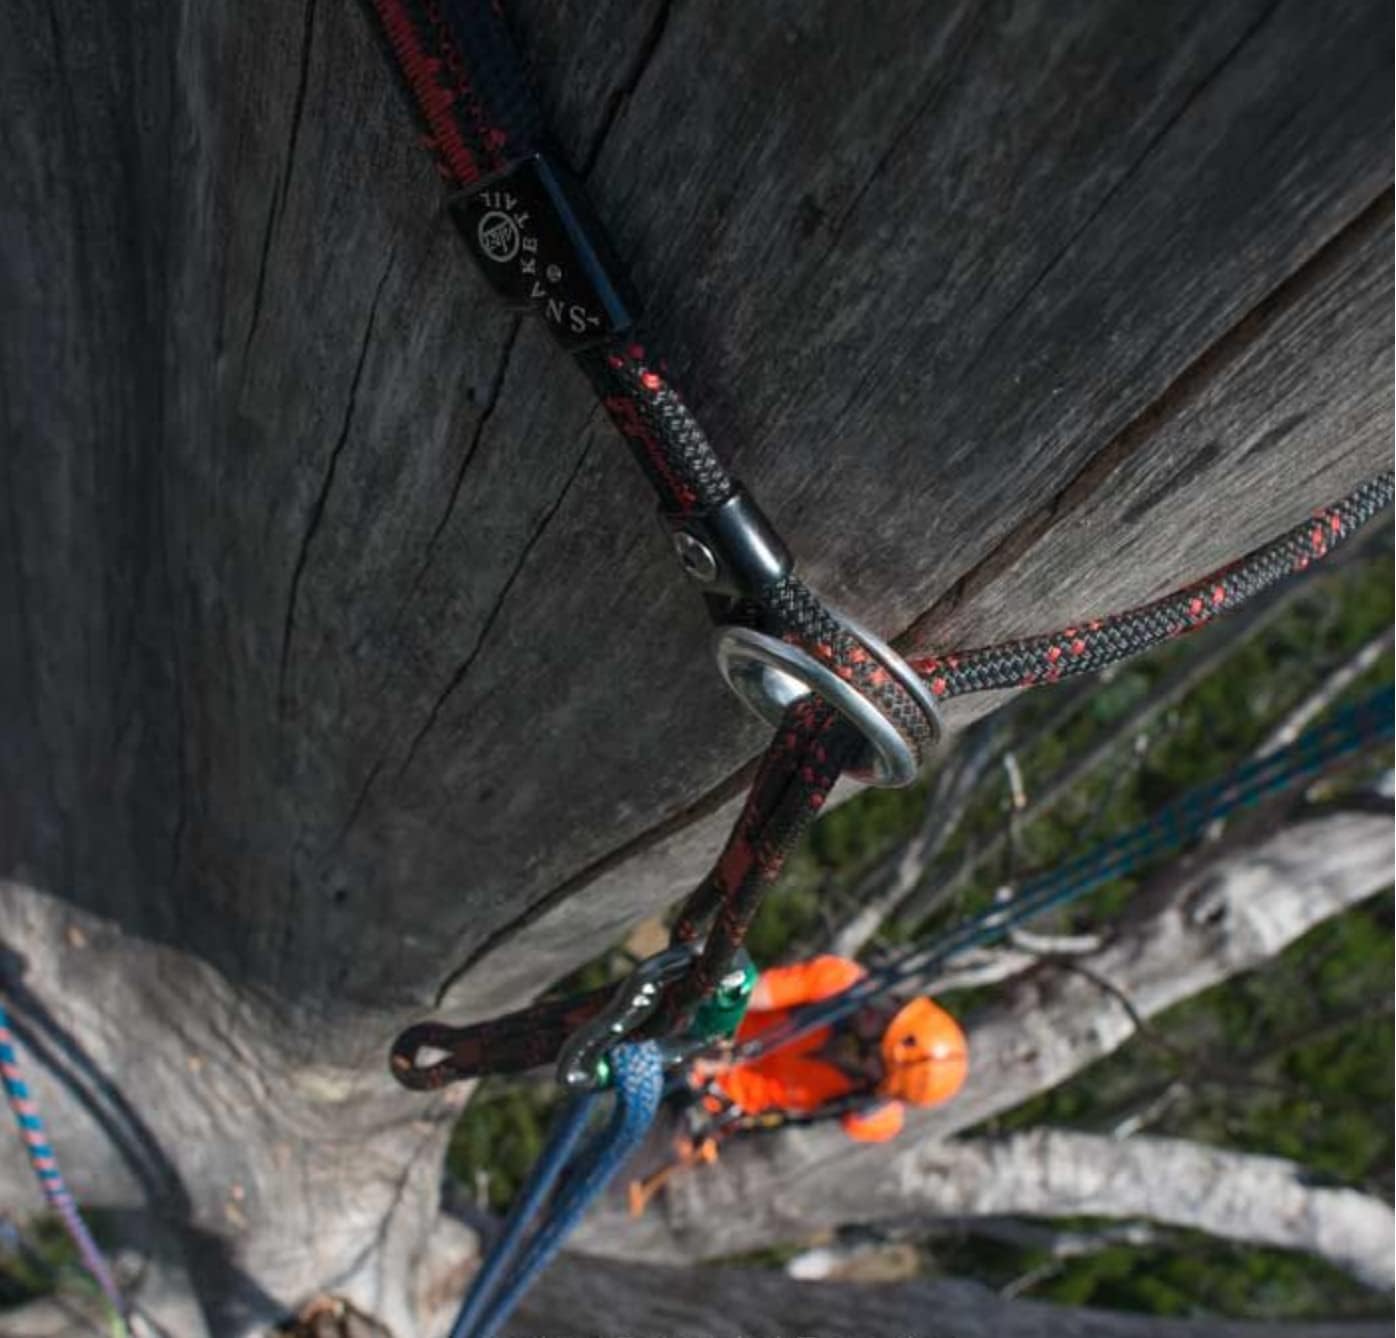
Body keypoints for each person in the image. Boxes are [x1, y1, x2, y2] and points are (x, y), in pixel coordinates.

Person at [701, 954, 969, 1143]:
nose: (880, 1010)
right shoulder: (839, 982)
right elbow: (746, 997)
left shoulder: (870, 1104)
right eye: (895, 1008)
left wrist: (882, 1094)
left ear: (878, 1067)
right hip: (698, 1039)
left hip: (705, 1115)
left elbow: (877, 1122)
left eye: (885, 1025)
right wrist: (708, 1045)